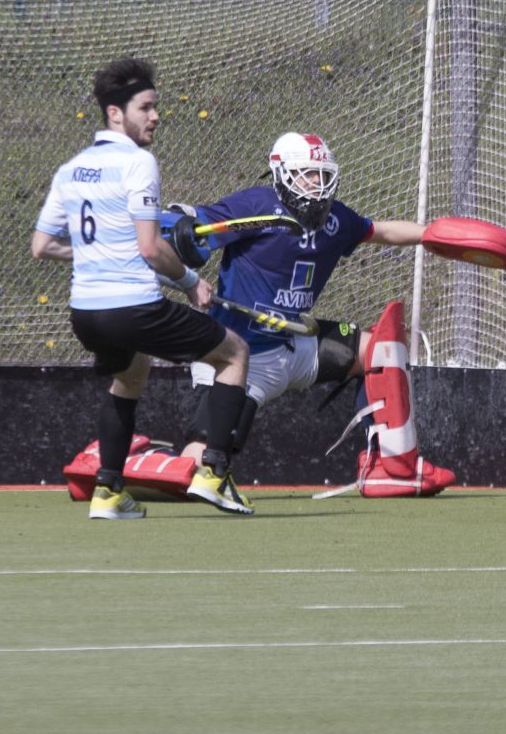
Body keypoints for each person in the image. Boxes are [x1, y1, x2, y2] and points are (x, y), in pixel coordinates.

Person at [31, 57, 252, 519]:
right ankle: (214, 473)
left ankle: (108, 491)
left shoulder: (71, 169)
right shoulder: (138, 162)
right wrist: (191, 283)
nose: (155, 116)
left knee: (130, 375)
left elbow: (42, 246)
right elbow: (151, 249)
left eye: (155, 107)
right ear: (116, 113)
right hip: (132, 308)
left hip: (85, 315)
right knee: (233, 354)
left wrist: (100, 252)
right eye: (146, 108)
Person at [176, 132, 454, 497]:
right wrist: (177, 227)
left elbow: (381, 231)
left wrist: (434, 235)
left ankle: (389, 468)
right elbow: (191, 224)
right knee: (198, 464)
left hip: (294, 343)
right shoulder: (255, 205)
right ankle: (130, 464)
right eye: (307, 174)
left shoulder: (336, 219)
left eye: (323, 175)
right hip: (239, 358)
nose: (317, 183)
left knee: (379, 350)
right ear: (282, 174)